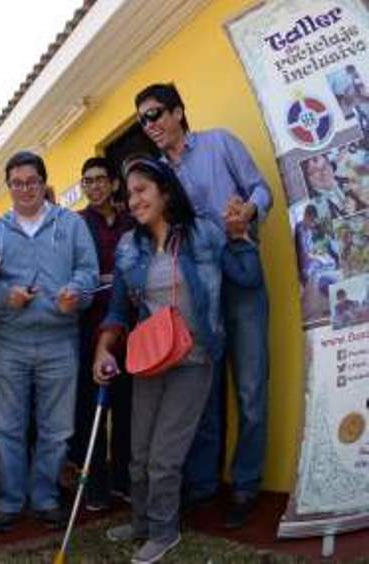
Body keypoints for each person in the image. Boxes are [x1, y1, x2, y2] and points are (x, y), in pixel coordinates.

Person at [94, 156, 261, 564]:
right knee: (137, 453)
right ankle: (141, 523)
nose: (133, 201)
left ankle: (165, 532)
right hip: (150, 359)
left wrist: (240, 237)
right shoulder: (131, 247)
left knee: (165, 456)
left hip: (194, 357)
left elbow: (247, 278)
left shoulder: (203, 232)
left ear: (165, 192)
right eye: (129, 193)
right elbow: (118, 308)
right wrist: (103, 348)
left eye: (141, 191)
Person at [135, 83, 273, 528]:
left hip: (240, 273)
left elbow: (260, 188)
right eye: (143, 120)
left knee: (250, 389)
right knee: (204, 392)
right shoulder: (157, 173)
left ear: (179, 111)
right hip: (197, 287)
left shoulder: (220, 143)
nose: (150, 125)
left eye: (155, 114)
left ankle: (246, 485)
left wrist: (247, 214)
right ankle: (205, 487)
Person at [0, 151, 98, 533]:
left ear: (44, 183)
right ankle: (11, 501)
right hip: (8, 341)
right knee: (6, 428)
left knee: (58, 428)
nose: (24, 189)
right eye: (16, 183)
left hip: (59, 339)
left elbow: (88, 270)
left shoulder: (71, 224)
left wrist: (77, 292)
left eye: (32, 181)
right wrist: (6, 297)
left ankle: (45, 498)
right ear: (9, 186)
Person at [68, 157, 134, 511]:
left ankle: (122, 479)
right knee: (91, 405)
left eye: (98, 180)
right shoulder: (76, 223)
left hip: (129, 322)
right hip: (88, 325)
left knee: (126, 404)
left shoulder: (131, 218)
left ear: (113, 183)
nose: (92, 187)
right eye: (86, 181)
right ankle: (94, 484)